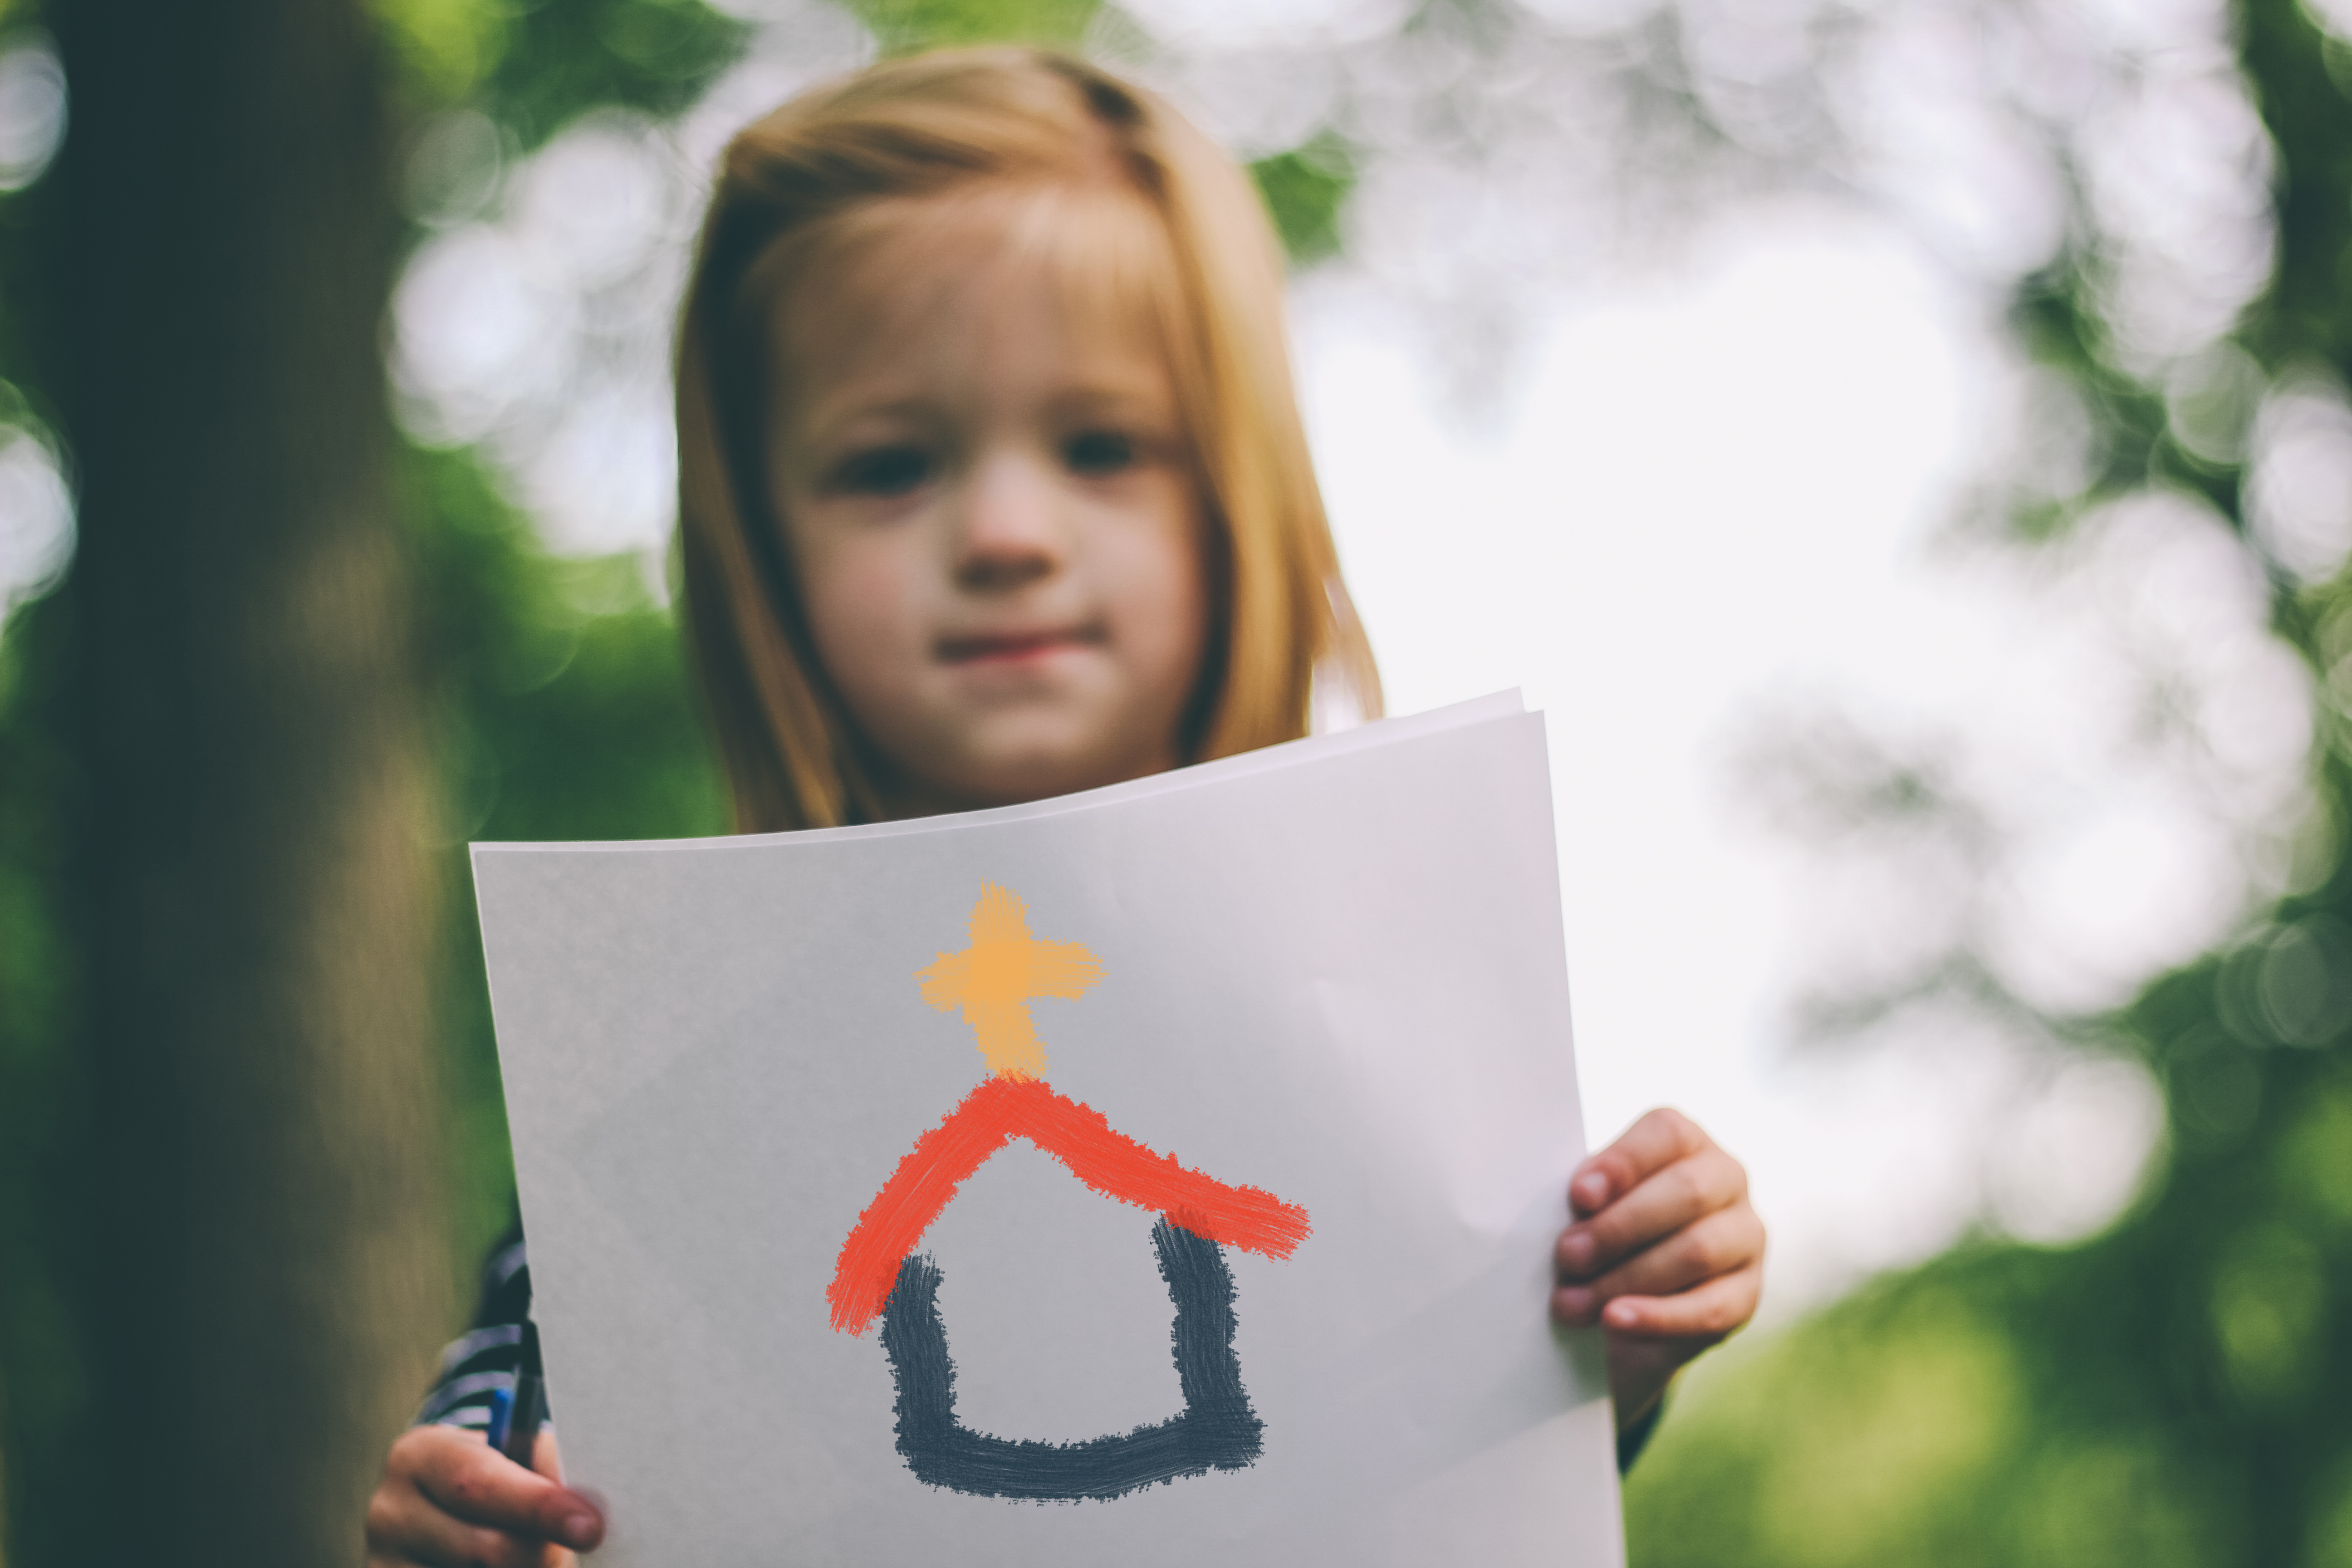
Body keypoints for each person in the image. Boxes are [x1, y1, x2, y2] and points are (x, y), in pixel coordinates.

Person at [364, 46, 1765, 1567]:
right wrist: (478, 1493)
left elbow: (1427, 1427)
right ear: (755, 542)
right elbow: (531, 1392)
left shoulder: (1378, 1006)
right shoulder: (692, 1057)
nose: (1009, 534)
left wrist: (1620, 1315)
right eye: (892, 465)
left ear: (1241, 493)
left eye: (1102, 448)